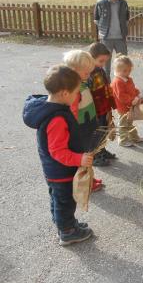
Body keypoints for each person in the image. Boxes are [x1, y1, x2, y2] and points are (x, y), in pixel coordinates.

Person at [23, 65, 94, 246]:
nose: (77, 96)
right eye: (76, 92)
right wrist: (79, 159)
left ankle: (64, 223)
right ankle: (67, 231)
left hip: (54, 171)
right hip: (60, 172)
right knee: (65, 201)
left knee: (57, 198)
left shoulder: (50, 107)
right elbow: (58, 151)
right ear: (64, 93)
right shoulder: (57, 119)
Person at [63, 50, 104, 191]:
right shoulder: (74, 90)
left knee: (89, 154)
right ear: (74, 71)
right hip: (81, 129)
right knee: (84, 156)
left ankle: (89, 177)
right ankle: (85, 182)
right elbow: (73, 112)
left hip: (89, 125)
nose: (89, 75)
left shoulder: (82, 83)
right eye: (86, 73)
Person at [87, 43, 117, 165]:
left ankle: (102, 150)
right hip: (95, 109)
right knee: (96, 132)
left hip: (104, 107)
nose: (103, 64)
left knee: (104, 130)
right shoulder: (88, 73)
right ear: (91, 58)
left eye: (105, 61)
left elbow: (106, 87)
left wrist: (111, 101)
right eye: (101, 61)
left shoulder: (100, 70)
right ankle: (95, 155)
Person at [94, 0, 130, 76]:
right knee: (106, 67)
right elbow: (96, 19)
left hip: (120, 38)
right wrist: (103, 31)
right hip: (106, 38)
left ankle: (121, 87)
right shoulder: (100, 3)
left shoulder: (123, 3)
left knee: (124, 65)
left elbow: (127, 19)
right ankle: (107, 89)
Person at [110, 55, 143, 147]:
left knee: (129, 122)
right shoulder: (117, 81)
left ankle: (133, 137)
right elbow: (121, 96)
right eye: (125, 71)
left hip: (130, 106)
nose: (127, 73)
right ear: (117, 70)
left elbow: (132, 88)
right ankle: (123, 139)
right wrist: (132, 100)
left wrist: (138, 94)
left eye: (129, 70)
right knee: (124, 124)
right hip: (123, 107)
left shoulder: (128, 79)